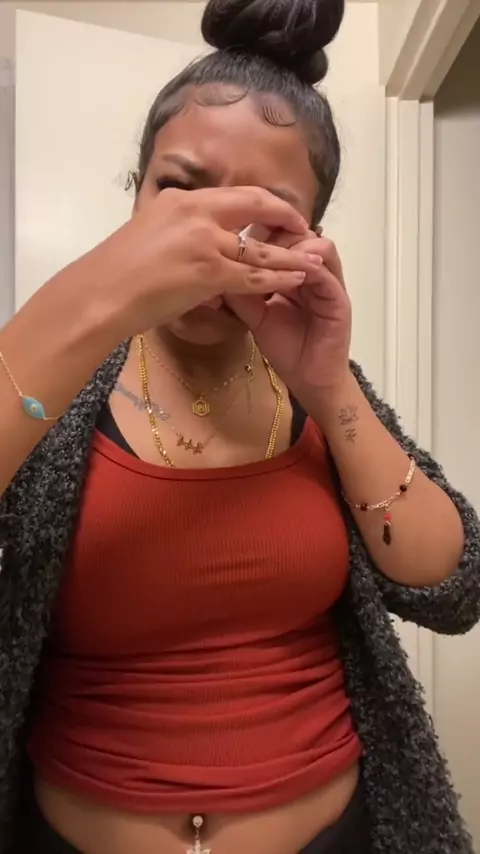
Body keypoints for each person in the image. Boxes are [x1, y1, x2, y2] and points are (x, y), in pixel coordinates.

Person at [0, 0, 479, 852]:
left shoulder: (316, 391)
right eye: (179, 192)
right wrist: (91, 299)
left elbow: (451, 588)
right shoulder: (55, 383)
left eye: (264, 218)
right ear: (134, 194)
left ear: (309, 241)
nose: (210, 240)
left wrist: (328, 385)